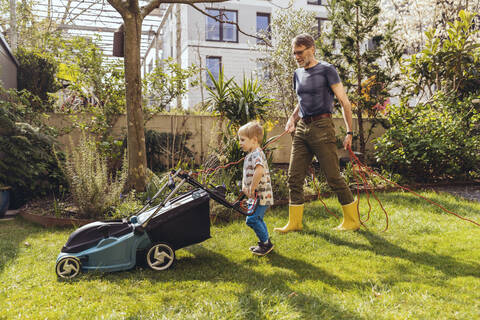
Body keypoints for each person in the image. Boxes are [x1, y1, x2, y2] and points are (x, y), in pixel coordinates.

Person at [274, 33, 360, 234]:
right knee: (293, 177)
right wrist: (292, 119)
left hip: (322, 127)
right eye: (294, 53)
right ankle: (294, 222)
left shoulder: (327, 70)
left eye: (300, 52)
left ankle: (352, 220)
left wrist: (349, 132)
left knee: (332, 177)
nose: (297, 56)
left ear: (312, 49)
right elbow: (301, 101)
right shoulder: (297, 74)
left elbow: (344, 102)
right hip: (302, 128)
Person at [238, 121, 274, 256]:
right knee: (257, 219)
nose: (240, 143)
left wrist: (252, 188)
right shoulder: (250, 155)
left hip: (261, 194)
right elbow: (247, 174)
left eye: (243, 140)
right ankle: (265, 243)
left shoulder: (257, 154)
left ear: (254, 140)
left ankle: (266, 244)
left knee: (252, 219)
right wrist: (244, 186)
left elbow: (259, 171)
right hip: (255, 195)